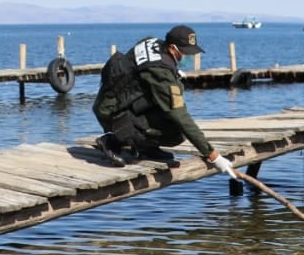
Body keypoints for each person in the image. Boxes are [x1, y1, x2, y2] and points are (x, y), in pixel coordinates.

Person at [92, 25, 238, 178]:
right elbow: (180, 115)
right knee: (178, 131)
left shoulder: (151, 42)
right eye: (185, 52)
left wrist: (173, 73)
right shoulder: (160, 73)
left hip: (109, 102)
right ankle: (112, 140)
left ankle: (145, 148)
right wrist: (213, 155)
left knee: (166, 107)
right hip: (112, 113)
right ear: (173, 48)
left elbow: (140, 70)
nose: (188, 57)